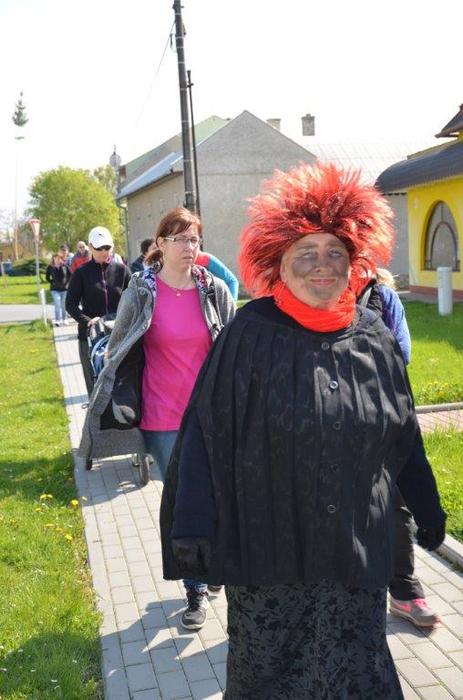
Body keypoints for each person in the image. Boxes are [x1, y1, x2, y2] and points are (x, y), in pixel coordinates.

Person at [160, 163, 446, 699]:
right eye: (306, 252)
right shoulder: (248, 335)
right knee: (272, 679)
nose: (322, 265)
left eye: (335, 252)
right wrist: (192, 525)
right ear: (279, 262)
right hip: (268, 559)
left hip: (355, 558)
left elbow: (403, 434)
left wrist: (427, 509)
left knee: (358, 676)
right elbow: (204, 434)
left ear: (354, 261)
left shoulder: (375, 338)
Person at [78, 207, 235, 630]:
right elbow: (118, 346)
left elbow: (234, 349)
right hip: (163, 416)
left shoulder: (214, 289)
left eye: (195, 239)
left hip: (211, 417)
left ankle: (212, 562)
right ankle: (195, 587)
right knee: (184, 501)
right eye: (180, 239)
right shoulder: (141, 290)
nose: (190, 247)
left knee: (218, 495)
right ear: (161, 244)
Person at [357, 268, 440, 627]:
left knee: (394, 504)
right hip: (327, 424)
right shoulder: (308, 296)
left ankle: (405, 592)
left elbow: (401, 350)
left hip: (384, 412)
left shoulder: (383, 296)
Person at [66, 226, 131, 396]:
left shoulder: (122, 270)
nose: (103, 252)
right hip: (90, 337)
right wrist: (88, 321)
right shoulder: (81, 273)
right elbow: (70, 304)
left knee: (123, 385)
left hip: (119, 335)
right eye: (99, 248)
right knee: (95, 387)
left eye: (107, 247)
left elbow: (133, 300)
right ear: (90, 247)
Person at [46, 253, 71, 326]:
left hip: (64, 289)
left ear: (61, 259)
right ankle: (57, 320)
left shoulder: (65, 266)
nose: (57, 260)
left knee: (63, 305)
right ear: (53, 259)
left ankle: (64, 319)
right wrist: (52, 282)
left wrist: (67, 283)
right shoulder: (50, 267)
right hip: (55, 289)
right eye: (55, 258)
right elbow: (47, 277)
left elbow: (70, 275)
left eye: (58, 258)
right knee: (57, 304)